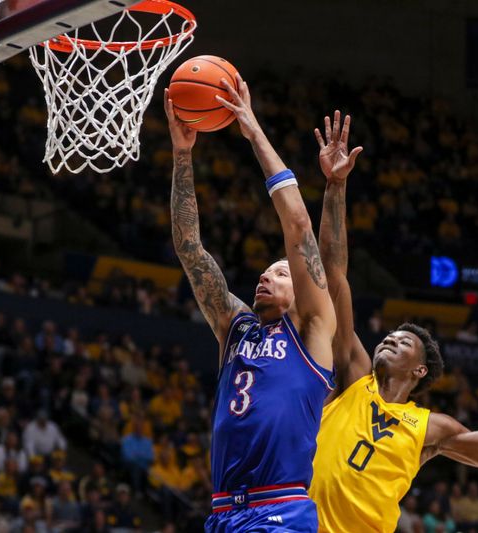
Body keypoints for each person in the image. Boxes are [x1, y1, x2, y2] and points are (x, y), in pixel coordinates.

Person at [308, 111, 478, 533]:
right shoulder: (354, 377)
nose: (389, 340)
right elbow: (332, 274)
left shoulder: (431, 428)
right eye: (389, 336)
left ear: (419, 370)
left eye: (403, 342)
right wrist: (336, 185)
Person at [165, 74, 337, 533]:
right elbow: (189, 248)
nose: (265, 274)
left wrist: (252, 130)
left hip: (279, 507)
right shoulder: (237, 328)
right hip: (223, 512)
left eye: (280, 272)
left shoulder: (313, 329)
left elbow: (298, 227)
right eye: (265, 271)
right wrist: (183, 155)